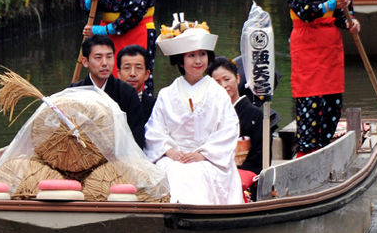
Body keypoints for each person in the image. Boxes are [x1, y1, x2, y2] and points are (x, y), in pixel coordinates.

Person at [280, 0, 360, 156]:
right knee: (310, 101)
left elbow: (344, 13)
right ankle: (306, 150)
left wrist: (351, 21)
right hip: (307, 44)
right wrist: (329, 5)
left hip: (330, 46)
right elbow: (302, 10)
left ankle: (325, 145)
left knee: (332, 102)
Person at [144, 19, 243, 205]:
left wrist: (203, 154)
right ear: (181, 60)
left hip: (210, 159)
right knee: (169, 170)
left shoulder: (218, 94)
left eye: (202, 54)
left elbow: (229, 130)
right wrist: (169, 151)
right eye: (191, 55)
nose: (198, 61)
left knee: (199, 172)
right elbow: (154, 131)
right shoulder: (167, 94)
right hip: (174, 157)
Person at [208, 56, 278, 192]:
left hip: (244, 178)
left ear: (238, 78)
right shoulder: (208, 115)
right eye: (216, 82)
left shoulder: (256, 115)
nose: (223, 86)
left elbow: (260, 157)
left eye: (227, 79)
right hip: (214, 176)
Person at [70, 35, 146, 148]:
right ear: (85, 61)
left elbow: (137, 136)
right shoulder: (74, 92)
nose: (105, 63)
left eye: (109, 57)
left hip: (121, 155)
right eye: (98, 57)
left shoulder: (127, 92)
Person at [116, 44, 156, 125]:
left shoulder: (156, 106)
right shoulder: (108, 104)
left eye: (138, 68)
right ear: (119, 74)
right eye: (127, 68)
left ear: (147, 74)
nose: (132, 74)